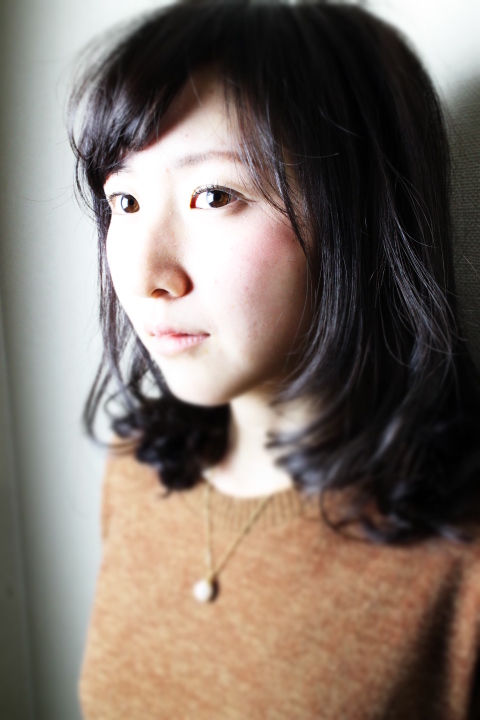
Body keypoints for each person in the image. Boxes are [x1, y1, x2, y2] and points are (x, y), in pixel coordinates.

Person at [69, 0, 480, 717]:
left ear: (357, 210)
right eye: (124, 201)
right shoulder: (137, 472)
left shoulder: (459, 551)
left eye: (213, 195)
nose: (146, 276)